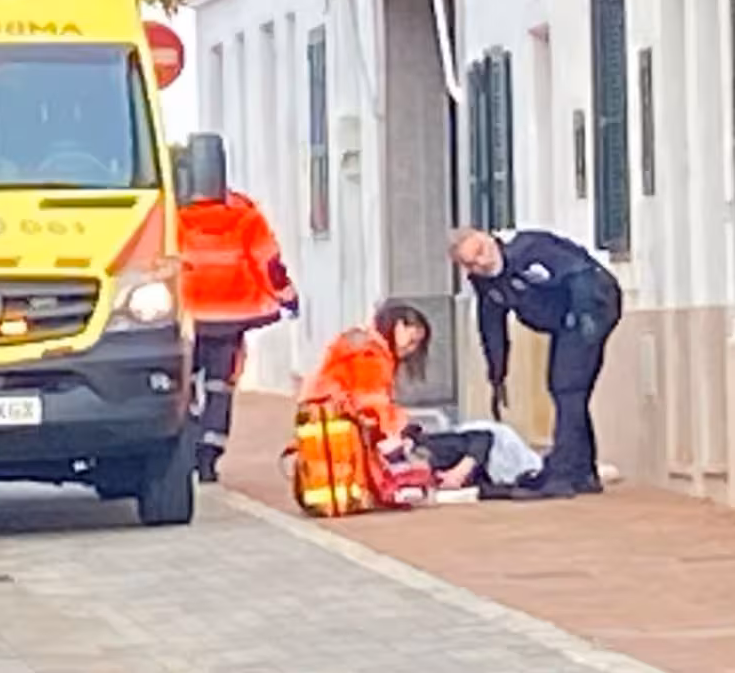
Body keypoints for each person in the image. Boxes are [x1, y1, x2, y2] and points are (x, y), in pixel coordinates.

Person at [450, 227, 622, 499]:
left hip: (592, 304)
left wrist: (585, 319)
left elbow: (579, 272)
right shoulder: (485, 283)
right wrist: (497, 374)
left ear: (489, 239)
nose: (482, 263)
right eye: (472, 263)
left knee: (567, 387)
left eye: (481, 252)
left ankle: (564, 473)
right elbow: (491, 325)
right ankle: (583, 472)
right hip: (564, 322)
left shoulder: (530, 249)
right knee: (567, 393)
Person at [300, 302, 493, 492]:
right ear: (399, 325)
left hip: (350, 436)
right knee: (478, 439)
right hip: (364, 442)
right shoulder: (370, 353)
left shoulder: (364, 348)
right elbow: (371, 406)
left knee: (473, 440)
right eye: (412, 340)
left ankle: (457, 474)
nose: (412, 349)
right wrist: (398, 435)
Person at [176, 188, 298, 483]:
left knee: (182, 385)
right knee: (220, 388)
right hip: (232, 317)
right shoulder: (246, 216)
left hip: (187, 316)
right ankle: (209, 455)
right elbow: (269, 264)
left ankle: (185, 446)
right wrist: (287, 295)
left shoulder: (174, 215)